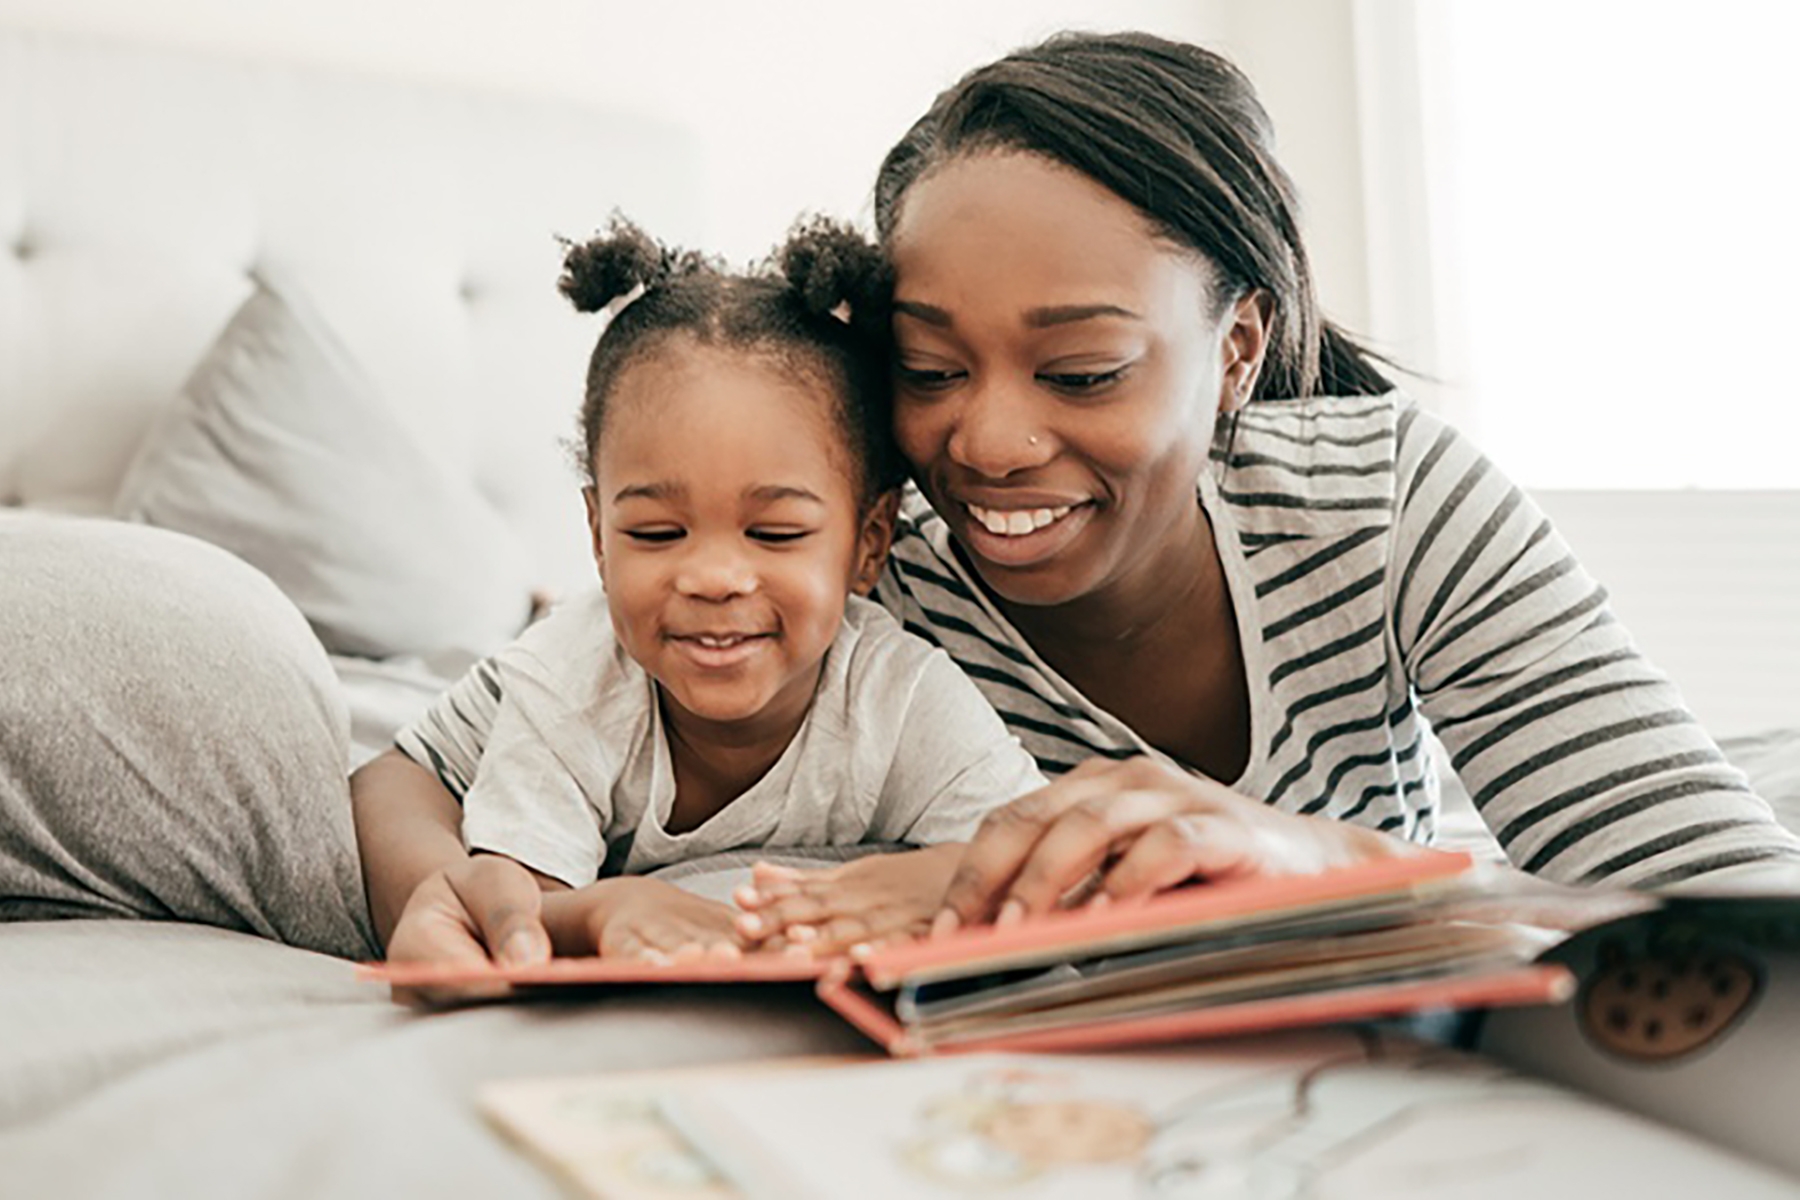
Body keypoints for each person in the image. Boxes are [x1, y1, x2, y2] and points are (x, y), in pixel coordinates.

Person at [364, 31, 1800, 973]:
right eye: (928, 366)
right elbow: (432, 768)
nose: (985, 442)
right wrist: (459, 893)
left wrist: (1301, 864)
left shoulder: (1392, 509)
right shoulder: (864, 578)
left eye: (1084, 367)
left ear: (1236, 350)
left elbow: (1733, 914)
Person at [355, 217, 1046, 966]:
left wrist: (937, 878)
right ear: (597, 534)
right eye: (656, 534)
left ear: (869, 543)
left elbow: (1033, 858)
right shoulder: (573, 684)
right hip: (428, 771)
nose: (714, 580)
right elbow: (518, 911)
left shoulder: (901, 696)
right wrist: (593, 913)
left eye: (775, 534)